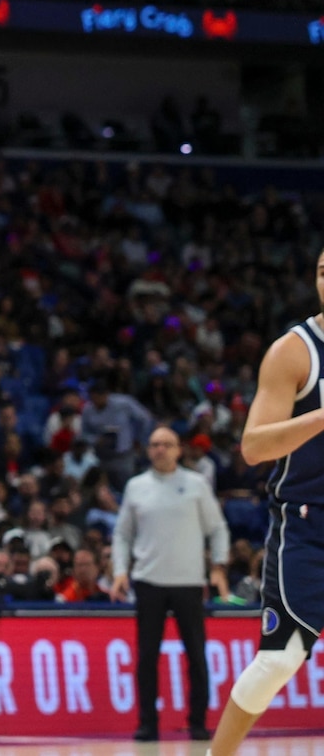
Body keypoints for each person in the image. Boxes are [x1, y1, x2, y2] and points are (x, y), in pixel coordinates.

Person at [211, 254, 324, 755]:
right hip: (307, 522)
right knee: (280, 660)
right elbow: (254, 446)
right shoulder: (294, 351)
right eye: (323, 271)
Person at [110, 425, 229, 742]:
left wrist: (218, 566)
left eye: (166, 444)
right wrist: (120, 571)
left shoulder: (195, 484)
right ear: (148, 450)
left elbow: (217, 528)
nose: (159, 449)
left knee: (196, 657)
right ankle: (147, 723)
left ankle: (198, 722)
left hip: (189, 582)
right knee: (147, 657)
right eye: (154, 444)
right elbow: (122, 535)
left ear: (179, 450)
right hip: (148, 581)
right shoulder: (136, 487)